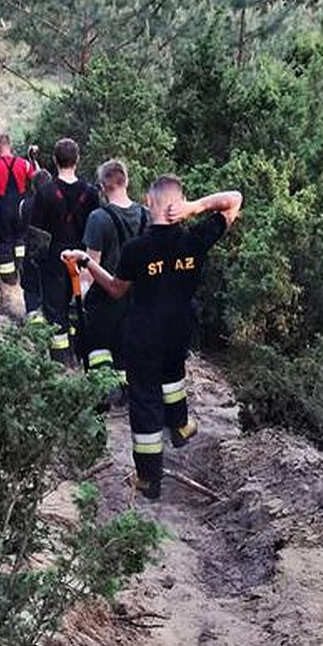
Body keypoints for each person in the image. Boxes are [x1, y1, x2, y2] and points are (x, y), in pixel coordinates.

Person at [61, 176, 242, 500]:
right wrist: (196, 208)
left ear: (148, 202)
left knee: (144, 401)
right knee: (173, 378)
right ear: (180, 202)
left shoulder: (137, 250)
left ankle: (149, 478)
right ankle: (181, 426)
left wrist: (87, 262)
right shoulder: (195, 239)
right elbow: (234, 199)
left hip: (144, 335)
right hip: (179, 330)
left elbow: (116, 289)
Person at [30, 138, 99, 361]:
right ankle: (81, 357)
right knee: (79, 309)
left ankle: (59, 362)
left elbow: (36, 232)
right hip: (82, 259)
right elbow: (96, 229)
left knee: (54, 311)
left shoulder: (45, 192)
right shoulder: (91, 193)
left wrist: (38, 261)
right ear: (77, 160)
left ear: (54, 160)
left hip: (53, 259)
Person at [82, 160, 147, 381]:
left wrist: (81, 299)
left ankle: (104, 398)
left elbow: (91, 265)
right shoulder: (147, 216)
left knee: (99, 353)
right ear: (126, 181)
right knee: (126, 355)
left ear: (102, 187)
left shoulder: (98, 219)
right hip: (138, 302)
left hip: (105, 300)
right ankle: (126, 394)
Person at [0, 134, 39, 284]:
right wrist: (33, 159)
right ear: (10, 145)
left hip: (2, 209)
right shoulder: (23, 164)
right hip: (20, 208)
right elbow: (37, 177)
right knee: (21, 237)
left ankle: (9, 278)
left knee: (4, 240)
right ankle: (23, 268)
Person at [19, 169, 52, 322]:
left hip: (31, 252)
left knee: (31, 288)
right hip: (51, 253)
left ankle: (33, 319)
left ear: (33, 187)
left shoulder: (25, 204)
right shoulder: (56, 203)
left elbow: (21, 226)